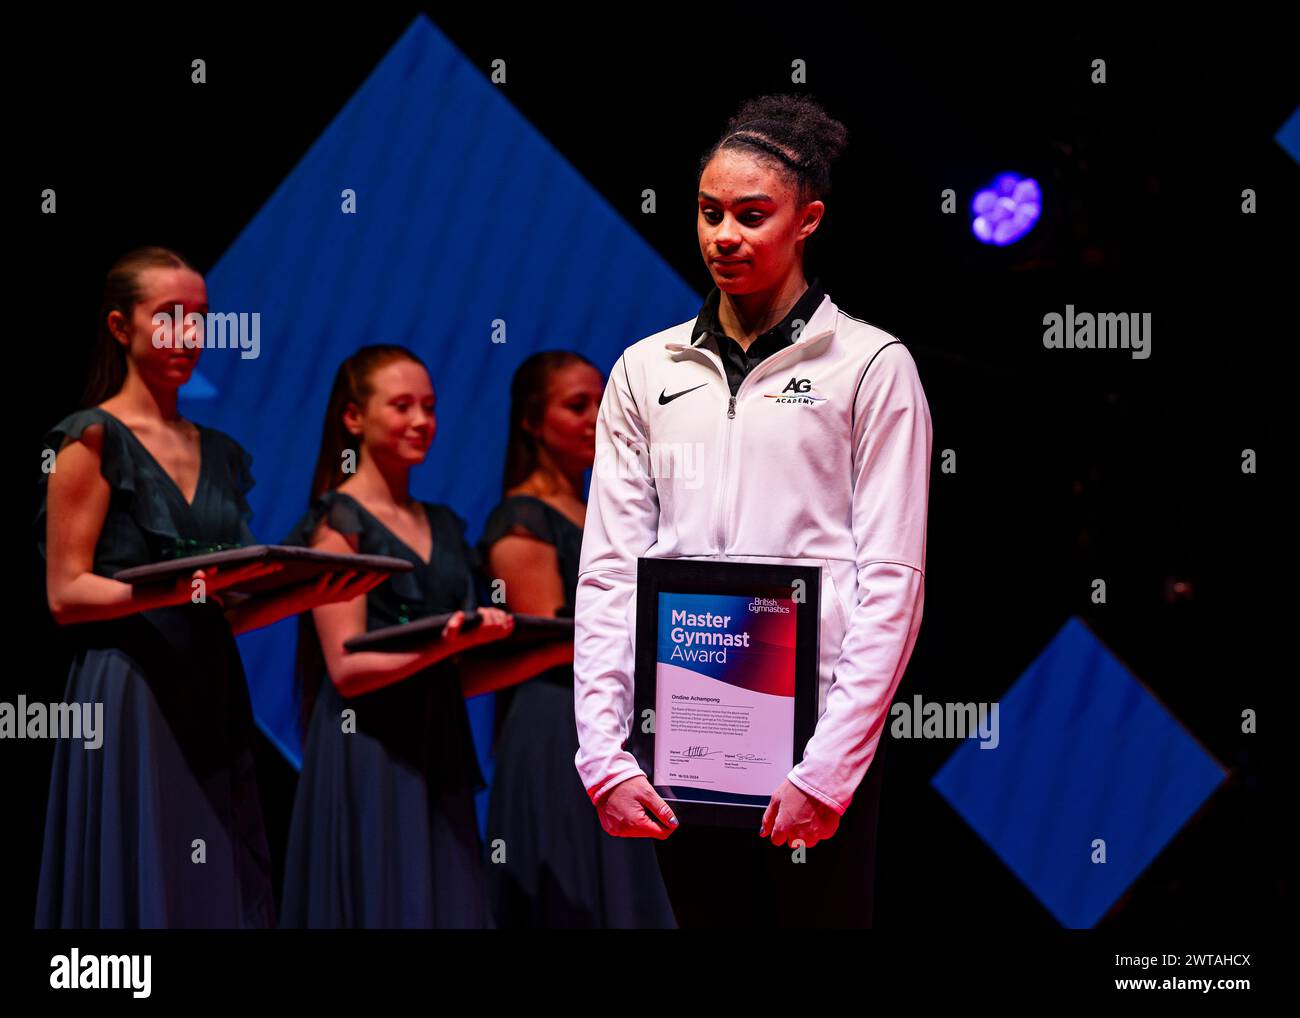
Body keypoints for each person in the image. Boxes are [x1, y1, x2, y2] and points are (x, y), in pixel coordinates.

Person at [572, 95, 933, 927]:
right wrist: (603, 753)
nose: (722, 235)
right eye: (708, 213)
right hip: (685, 728)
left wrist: (829, 769)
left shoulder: (871, 367)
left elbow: (893, 582)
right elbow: (608, 573)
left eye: (750, 215)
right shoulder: (642, 369)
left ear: (807, 220)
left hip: (813, 742)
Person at [35, 246, 374, 928]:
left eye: (199, 319)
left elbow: (218, 610)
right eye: (168, 317)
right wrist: (175, 591)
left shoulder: (217, 450)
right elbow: (65, 594)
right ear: (119, 326)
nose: (189, 335)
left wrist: (310, 593)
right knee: (145, 874)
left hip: (210, 682)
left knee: (216, 876)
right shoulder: (90, 439)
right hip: (130, 688)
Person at [279, 344, 573, 928]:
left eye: (430, 407)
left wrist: (569, 645)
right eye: (403, 406)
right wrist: (448, 644)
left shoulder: (441, 523)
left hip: (440, 750)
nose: (422, 421)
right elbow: (346, 670)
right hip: (368, 754)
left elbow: (460, 675)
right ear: (354, 418)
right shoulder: (338, 523)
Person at [478, 351, 675, 928]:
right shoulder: (523, 519)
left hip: (617, 717)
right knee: (579, 892)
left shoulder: (599, 510)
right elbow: (559, 636)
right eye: (576, 405)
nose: (596, 417)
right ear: (531, 422)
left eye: (600, 402)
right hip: (558, 722)